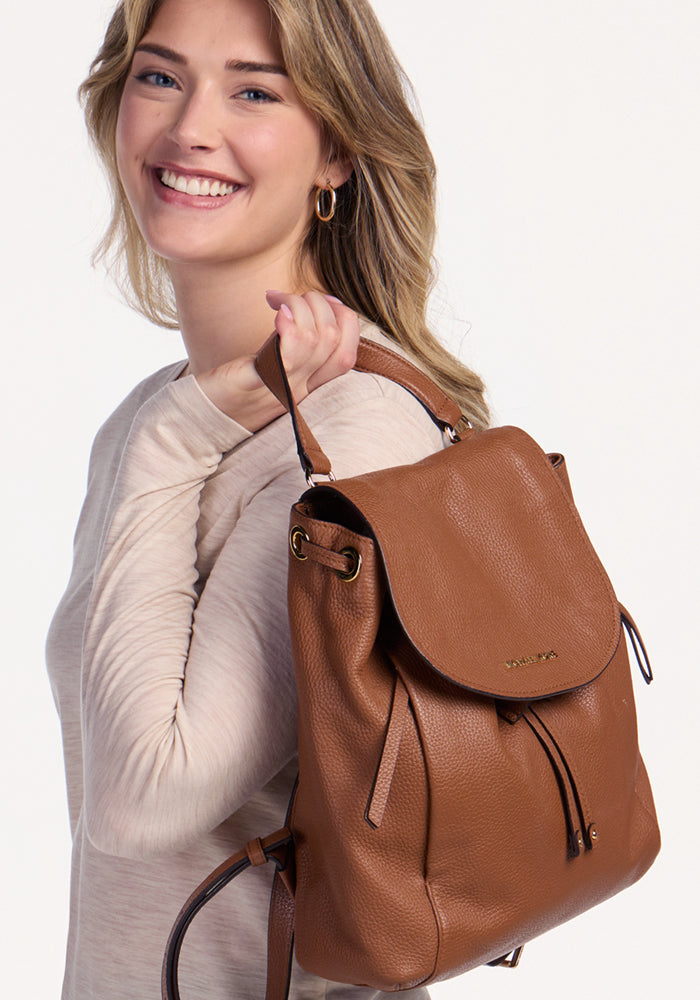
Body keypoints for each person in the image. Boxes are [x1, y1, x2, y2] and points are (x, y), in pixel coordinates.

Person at [46, 0, 489, 997]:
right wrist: (177, 432)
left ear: (335, 150)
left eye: (253, 90)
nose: (189, 127)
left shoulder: (351, 440)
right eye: (160, 77)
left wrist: (177, 441)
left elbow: (144, 797)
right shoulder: (151, 419)